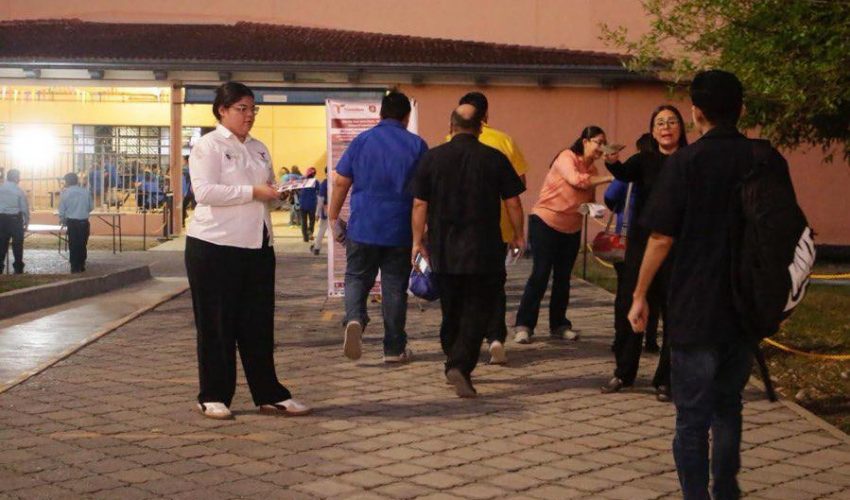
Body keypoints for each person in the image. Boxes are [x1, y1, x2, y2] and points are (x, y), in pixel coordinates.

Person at [628, 70, 763, 499]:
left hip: (695, 306)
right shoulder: (764, 159)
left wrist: (639, 294)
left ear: (695, 113)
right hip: (745, 307)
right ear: (741, 109)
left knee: (691, 418)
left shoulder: (686, 163)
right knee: (728, 407)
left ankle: (695, 495)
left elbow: (661, 237)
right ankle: (725, 489)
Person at [185, 81, 310, 420]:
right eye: (242, 108)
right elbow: (204, 192)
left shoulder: (259, 148)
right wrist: (253, 191)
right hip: (214, 246)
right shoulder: (208, 146)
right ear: (222, 110)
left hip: (257, 245)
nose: (249, 115)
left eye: (253, 109)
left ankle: (269, 393)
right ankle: (213, 395)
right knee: (217, 324)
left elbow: (266, 191)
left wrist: (279, 194)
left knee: (258, 324)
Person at [412, 104, 525, 397]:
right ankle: (459, 364)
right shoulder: (494, 158)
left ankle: (452, 355)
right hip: (483, 247)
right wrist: (518, 234)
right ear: (480, 127)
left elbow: (420, 203)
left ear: (451, 126)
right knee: (478, 307)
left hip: (444, 247)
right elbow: (513, 202)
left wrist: (417, 240)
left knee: (451, 306)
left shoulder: (432, 158)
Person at [328, 90, 428, 364]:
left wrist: (333, 217)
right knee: (394, 287)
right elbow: (423, 196)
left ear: (381, 114)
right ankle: (394, 349)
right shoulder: (417, 145)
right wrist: (422, 234)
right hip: (400, 229)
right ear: (407, 116)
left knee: (356, 278)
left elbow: (341, 181)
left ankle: (354, 319)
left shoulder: (362, 140)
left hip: (363, 227)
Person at [601, 105, 689, 401]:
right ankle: (624, 372)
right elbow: (623, 173)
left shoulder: (690, 159)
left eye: (672, 122)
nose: (666, 127)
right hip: (643, 244)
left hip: (678, 247)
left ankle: (666, 379)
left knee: (673, 313)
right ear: (652, 130)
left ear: (681, 127)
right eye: (660, 123)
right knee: (630, 306)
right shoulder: (644, 159)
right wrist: (611, 160)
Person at [514, 126, 613, 344]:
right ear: (585, 141)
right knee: (540, 274)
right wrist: (609, 178)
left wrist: (594, 210)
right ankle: (524, 325)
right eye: (599, 142)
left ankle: (559, 324)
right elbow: (577, 180)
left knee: (563, 278)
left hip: (572, 228)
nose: (602, 148)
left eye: (604, 144)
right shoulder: (566, 157)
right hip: (545, 222)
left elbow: (588, 199)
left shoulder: (593, 170)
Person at [454, 91, 530, 365]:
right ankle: (495, 337)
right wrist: (519, 233)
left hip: (457, 229)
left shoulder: (449, 142)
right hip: (495, 228)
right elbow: (517, 188)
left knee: (463, 286)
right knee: (494, 283)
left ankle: (464, 342)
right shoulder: (504, 141)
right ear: (486, 114)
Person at [58, 172, 94, 273]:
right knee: (82, 243)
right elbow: (91, 207)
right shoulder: (85, 192)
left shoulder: (65, 193)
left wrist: (63, 220)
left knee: (73, 244)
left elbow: (62, 210)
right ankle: (82, 264)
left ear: (67, 182)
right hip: (83, 222)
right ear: (76, 181)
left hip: (72, 222)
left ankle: (74, 266)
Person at [0, 168, 28, 274]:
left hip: (2, 219)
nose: (20, 179)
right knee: (17, 245)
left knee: (1, 244)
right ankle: (18, 268)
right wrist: (26, 221)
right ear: (16, 178)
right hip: (15, 220)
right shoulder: (19, 191)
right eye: (19, 177)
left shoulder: (1, 188)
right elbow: (24, 208)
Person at [311, 168, 329, 256]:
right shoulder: (336, 181)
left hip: (326, 209)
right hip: (336, 208)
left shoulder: (325, 183)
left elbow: (320, 200)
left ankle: (317, 248)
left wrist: (317, 213)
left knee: (322, 229)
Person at [299, 167, 319, 242]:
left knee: (303, 221)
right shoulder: (315, 182)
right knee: (312, 220)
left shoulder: (302, 181)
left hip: (302, 203)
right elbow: (319, 191)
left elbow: (297, 188)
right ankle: (310, 231)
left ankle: (305, 238)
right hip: (312, 204)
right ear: (314, 174)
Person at [181, 155, 196, 226]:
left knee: (183, 206)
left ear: (186, 161)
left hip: (189, 191)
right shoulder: (193, 167)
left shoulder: (186, 169)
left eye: (183, 160)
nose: (182, 161)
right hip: (194, 190)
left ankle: (182, 222)